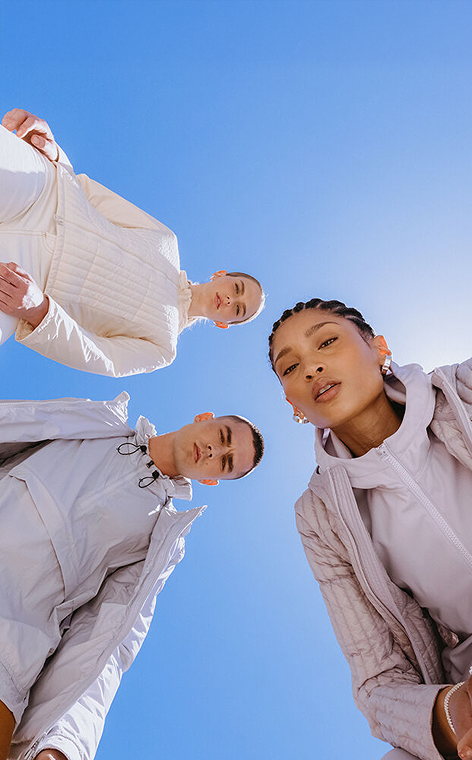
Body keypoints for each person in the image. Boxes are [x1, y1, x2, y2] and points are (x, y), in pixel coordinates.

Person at [0, 392, 264, 760]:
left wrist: (64, 745)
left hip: (14, 637)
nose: (215, 453)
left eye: (226, 463)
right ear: (204, 417)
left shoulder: (159, 538)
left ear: (212, 482)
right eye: (221, 438)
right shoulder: (99, 424)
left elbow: (110, 642)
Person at [268, 297, 472, 760]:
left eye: (327, 342)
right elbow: (377, 680)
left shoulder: (463, 389)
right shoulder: (319, 518)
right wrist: (455, 709)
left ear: (380, 349)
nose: (312, 368)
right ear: (292, 403)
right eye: (291, 367)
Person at [0, 108, 265, 376]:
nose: (231, 299)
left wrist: (37, 310)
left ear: (224, 324)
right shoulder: (166, 242)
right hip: (44, 195)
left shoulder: (163, 348)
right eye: (237, 287)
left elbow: (96, 354)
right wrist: (55, 154)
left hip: (24, 282)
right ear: (220, 274)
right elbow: (89, 193)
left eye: (238, 309)